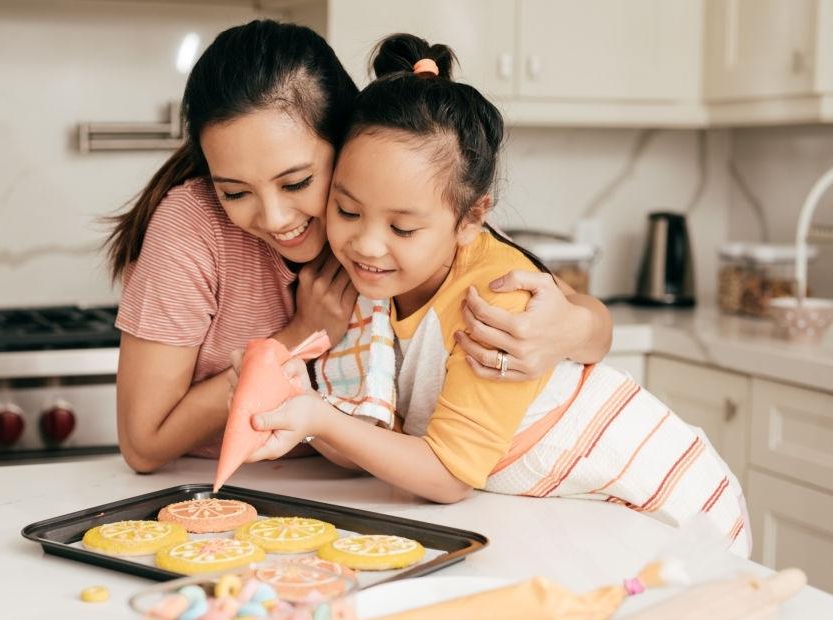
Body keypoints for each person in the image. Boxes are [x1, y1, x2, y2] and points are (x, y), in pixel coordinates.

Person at [246, 34, 750, 556]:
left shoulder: (493, 300)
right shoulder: (381, 287)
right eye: (348, 211)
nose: (367, 244)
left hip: (669, 507)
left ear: (471, 219)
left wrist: (319, 417)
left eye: (403, 227)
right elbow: (385, 435)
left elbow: (446, 476)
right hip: (574, 506)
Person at [106, 20, 614, 475]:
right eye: (234, 192)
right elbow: (143, 446)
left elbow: (567, 313)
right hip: (232, 485)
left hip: (364, 486)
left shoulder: (390, 202)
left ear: (348, 143)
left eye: (298, 182)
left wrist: (572, 328)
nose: (276, 218)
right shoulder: (191, 227)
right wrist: (299, 335)